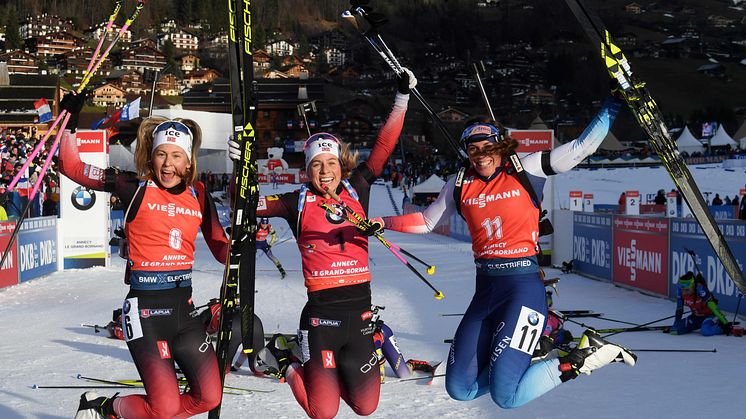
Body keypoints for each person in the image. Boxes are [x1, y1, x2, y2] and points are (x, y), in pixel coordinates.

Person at [379, 93, 636, 409]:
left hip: (522, 289)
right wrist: (382, 221)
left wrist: (613, 102)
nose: (481, 155)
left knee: (506, 396)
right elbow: (426, 221)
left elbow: (582, 148)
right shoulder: (459, 183)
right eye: (473, 150)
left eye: (487, 148)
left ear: (499, 146)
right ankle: (530, 354)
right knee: (459, 388)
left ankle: (585, 355)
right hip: (486, 292)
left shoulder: (526, 168)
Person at [228, 69, 416, 418]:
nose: (325, 170)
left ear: (342, 166)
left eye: (331, 162)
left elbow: (384, 146)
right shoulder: (294, 202)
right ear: (307, 171)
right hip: (320, 321)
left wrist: (401, 99)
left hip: (360, 317)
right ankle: (285, 359)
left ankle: (334, 371)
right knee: (323, 412)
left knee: (365, 406)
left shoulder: (357, 187)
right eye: (317, 164)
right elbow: (244, 205)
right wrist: (239, 167)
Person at [61, 92, 230, 419]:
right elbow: (72, 165)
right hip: (146, 312)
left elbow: (221, 249)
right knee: (164, 407)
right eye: (161, 155)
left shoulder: (199, 194)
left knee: (209, 396)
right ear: (150, 158)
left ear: (189, 161)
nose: (168, 164)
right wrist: (71, 122)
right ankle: (105, 408)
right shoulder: (133, 187)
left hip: (184, 311)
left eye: (176, 156)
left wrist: (245, 239)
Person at [670, 271, 732, 336]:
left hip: (709, 316)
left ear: (693, 285)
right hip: (695, 318)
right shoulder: (680, 291)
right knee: (674, 331)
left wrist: (725, 323)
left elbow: (714, 308)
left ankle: (720, 327)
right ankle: (699, 325)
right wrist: (676, 324)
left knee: (705, 331)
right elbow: (679, 309)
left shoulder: (700, 290)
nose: (684, 292)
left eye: (687, 290)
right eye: (683, 289)